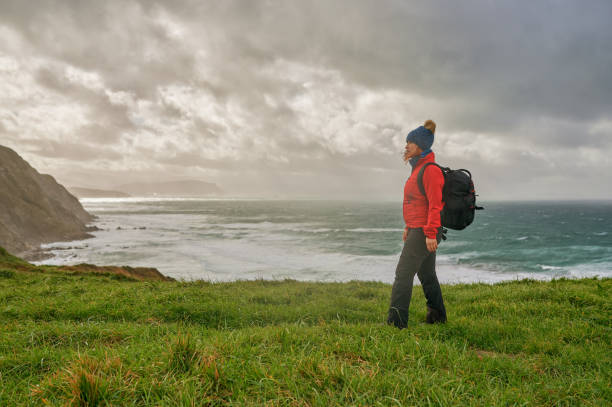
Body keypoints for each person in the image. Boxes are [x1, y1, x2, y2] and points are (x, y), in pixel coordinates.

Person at [387, 119, 447, 329]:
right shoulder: (417, 168)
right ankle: (437, 318)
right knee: (427, 274)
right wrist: (408, 226)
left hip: (425, 231)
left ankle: (396, 325)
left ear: (420, 145)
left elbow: (434, 204)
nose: (406, 146)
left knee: (403, 274)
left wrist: (430, 233)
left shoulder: (430, 170)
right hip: (418, 228)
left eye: (410, 142)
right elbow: (415, 202)